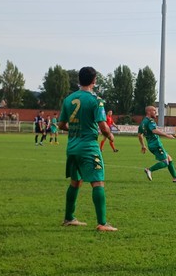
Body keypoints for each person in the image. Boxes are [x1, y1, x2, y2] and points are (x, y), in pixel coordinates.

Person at [58, 66, 118, 232]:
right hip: (89, 148)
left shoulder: (69, 99)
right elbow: (103, 127)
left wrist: (75, 130)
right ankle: (102, 223)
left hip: (72, 147)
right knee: (97, 182)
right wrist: (111, 136)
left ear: (79, 79)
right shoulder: (95, 100)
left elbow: (61, 124)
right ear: (94, 80)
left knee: (75, 182)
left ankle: (69, 217)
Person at [138, 106, 176, 184]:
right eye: (154, 111)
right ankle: (149, 170)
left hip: (151, 145)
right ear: (148, 112)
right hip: (156, 145)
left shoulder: (143, 122)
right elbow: (154, 130)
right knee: (165, 162)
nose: (156, 112)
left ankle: (175, 178)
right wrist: (167, 135)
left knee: (169, 159)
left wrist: (143, 145)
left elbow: (139, 134)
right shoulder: (150, 121)